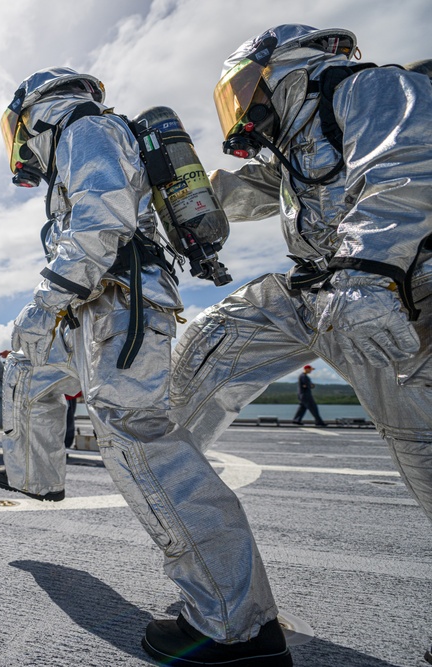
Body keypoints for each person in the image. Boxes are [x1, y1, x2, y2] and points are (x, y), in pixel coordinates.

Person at [0, 67, 290, 665]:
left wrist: (45, 300)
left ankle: (236, 625)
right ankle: (34, 476)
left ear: (33, 111)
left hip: (119, 300)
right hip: (98, 299)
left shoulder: (84, 128)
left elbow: (103, 223)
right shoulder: (77, 140)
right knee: (27, 369)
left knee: (138, 440)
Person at [167, 24, 432, 664]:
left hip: (398, 292)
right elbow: (233, 195)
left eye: (239, 92)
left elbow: (409, 164)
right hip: (314, 291)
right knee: (205, 346)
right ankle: (225, 606)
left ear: (279, 71)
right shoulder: (290, 152)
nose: (238, 111)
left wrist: (371, 268)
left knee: (424, 450)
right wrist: (173, 210)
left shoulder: (370, 89)